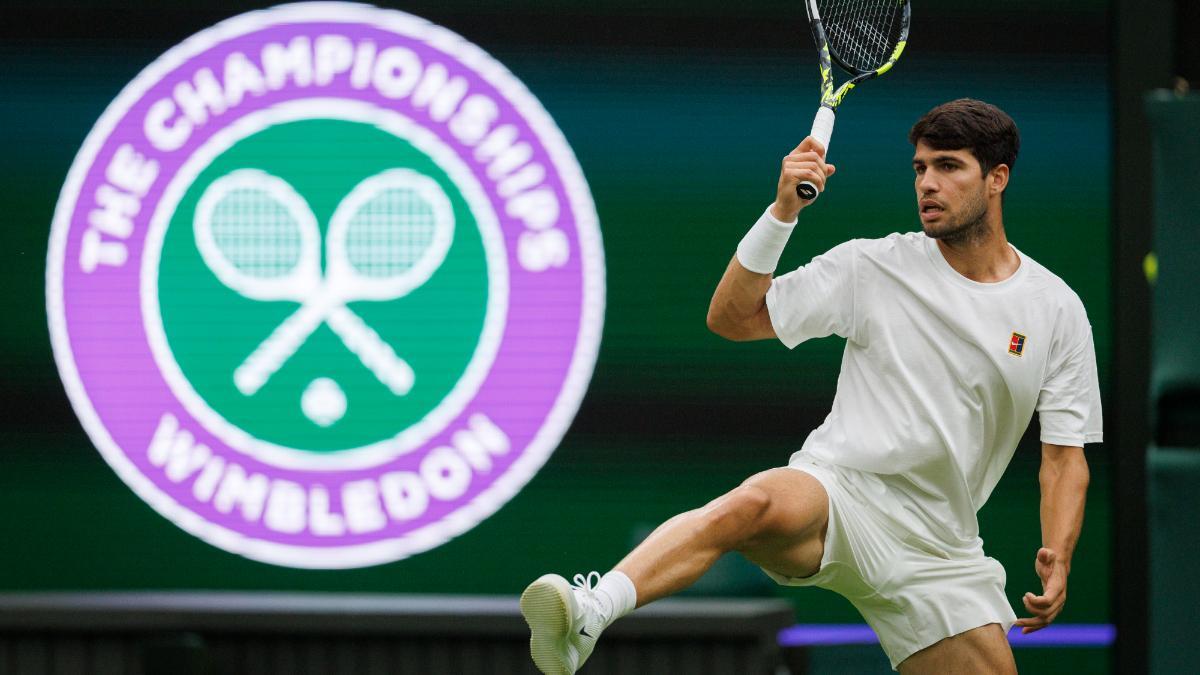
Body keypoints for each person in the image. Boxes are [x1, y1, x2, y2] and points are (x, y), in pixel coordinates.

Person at [519, 98, 1100, 674]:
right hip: (841, 492)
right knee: (750, 505)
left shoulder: (1055, 309)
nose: (927, 183)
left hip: (940, 548)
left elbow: (1063, 458)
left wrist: (1059, 553)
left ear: (997, 178)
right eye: (920, 168)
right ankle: (592, 612)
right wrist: (782, 213)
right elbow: (732, 318)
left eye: (949, 166)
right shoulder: (870, 267)